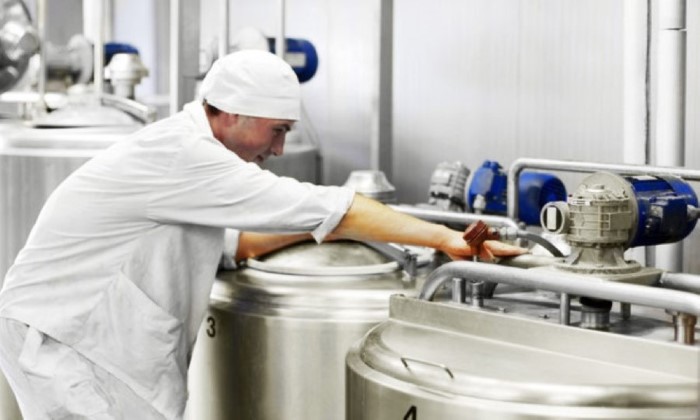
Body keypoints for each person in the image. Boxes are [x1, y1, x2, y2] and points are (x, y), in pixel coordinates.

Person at [0, 50, 524, 419]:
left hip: (88, 334)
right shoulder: (184, 154)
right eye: (276, 131)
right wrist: (445, 239)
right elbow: (331, 206)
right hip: (69, 339)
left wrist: (321, 231)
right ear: (231, 113)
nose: (278, 149)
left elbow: (242, 243)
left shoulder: (194, 156)